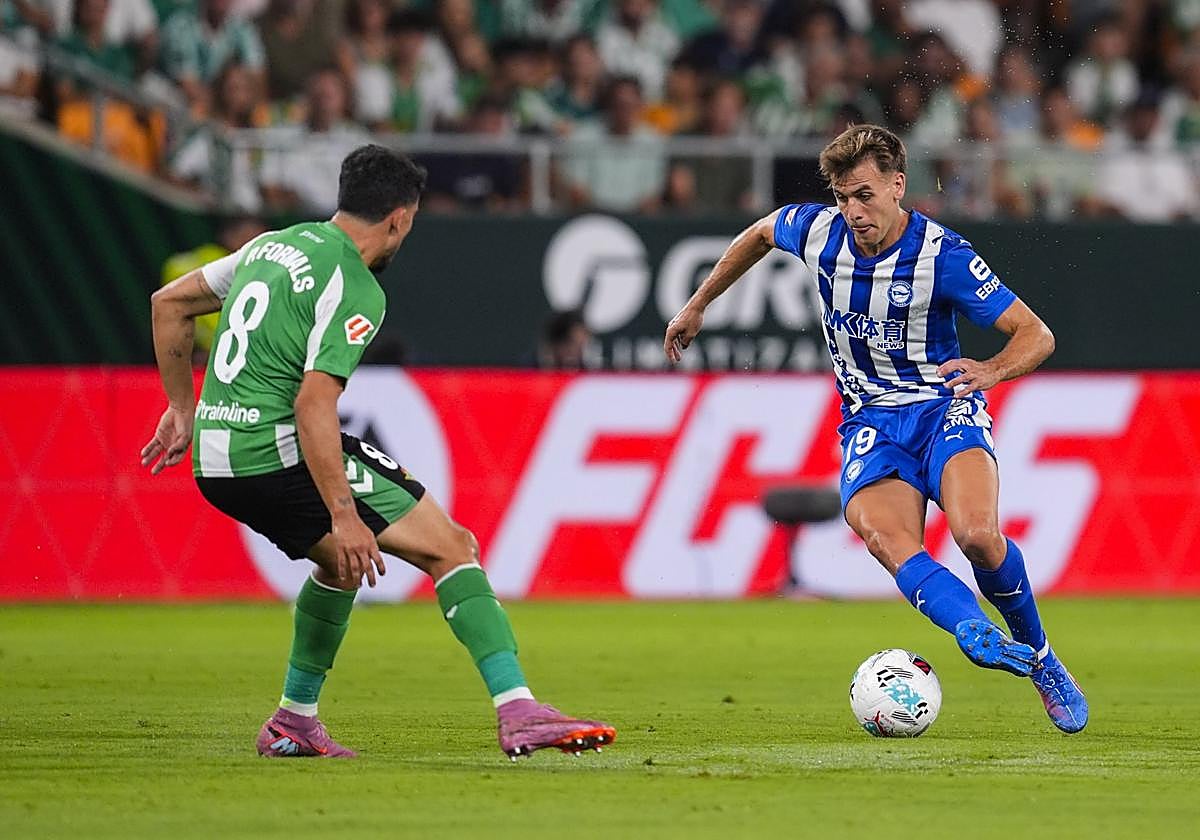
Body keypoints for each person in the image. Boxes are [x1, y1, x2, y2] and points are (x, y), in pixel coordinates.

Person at [142, 144, 616, 759]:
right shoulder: (355, 286)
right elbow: (313, 405)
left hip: (216, 460)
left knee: (338, 567)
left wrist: (182, 406)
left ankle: (294, 721)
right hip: (274, 448)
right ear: (400, 219)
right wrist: (345, 514)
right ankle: (519, 710)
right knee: (453, 547)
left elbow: (168, 304)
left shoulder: (270, 247)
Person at [663, 124, 1088, 734]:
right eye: (842, 196)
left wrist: (992, 370)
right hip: (871, 421)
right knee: (886, 540)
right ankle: (970, 629)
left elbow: (1036, 334)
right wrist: (698, 303)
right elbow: (759, 233)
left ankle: (1043, 660)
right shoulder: (818, 233)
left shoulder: (943, 256)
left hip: (945, 408)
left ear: (898, 185)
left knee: (976, 536)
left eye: (864, 195)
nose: (853, 211)